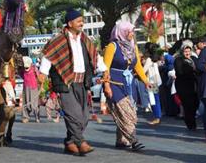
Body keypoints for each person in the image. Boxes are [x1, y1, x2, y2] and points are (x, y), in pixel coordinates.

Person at [38, 9, 106, 156]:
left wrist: (104, 70)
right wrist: (43, 73)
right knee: (72, 114)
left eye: (82, 20)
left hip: (82, 82)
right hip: (65, 82)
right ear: (69, 23)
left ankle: (69, 142)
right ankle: (81, 142)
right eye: (78, 21)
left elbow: (95, 55)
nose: (82, 23)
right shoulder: (58, 40)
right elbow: (48, 55)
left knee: (84, 116)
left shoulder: (85, 39)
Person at [103, 21, 150, 151]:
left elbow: (137, 66)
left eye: (132, 31)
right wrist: (106, 85)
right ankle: (134, 140)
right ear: (122, 32)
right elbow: (105, 67)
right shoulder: (112, 46)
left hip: (129, 84)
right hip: (114, 83)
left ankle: (121, 140)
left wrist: (145, 81)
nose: (132, 34)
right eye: (129, 31)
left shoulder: (133, 47)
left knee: (125, 112)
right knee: (127, 113)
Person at [174, 40, 199, 130]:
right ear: (182, 51)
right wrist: (192, 69)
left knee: (195, 104)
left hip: (194, 85)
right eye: (185, 51)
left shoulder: (194, 59)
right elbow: (180, 72)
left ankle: (192, 121)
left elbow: (199, 68)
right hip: (183, 86)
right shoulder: (178, 60)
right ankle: (191, 124)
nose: (187, 53)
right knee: (188, 105)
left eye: (189, 51)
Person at [143, 43, 162, 125]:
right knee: (156, 99)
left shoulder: (148, 60)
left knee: (153, 100)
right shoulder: (156, 58)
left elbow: (143, 70)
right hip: (157, 81)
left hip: (151, 82)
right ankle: (158, 116)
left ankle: (157, 117)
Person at [20, 56, 41, 123]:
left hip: (34, 88)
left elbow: (39, 76)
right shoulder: (22, 70)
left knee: (35, 103)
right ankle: (25, 117)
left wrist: (40, 85)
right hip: (26, 88)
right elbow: (21, 75)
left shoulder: (34, 68)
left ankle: (37, 117)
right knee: (25, 102)